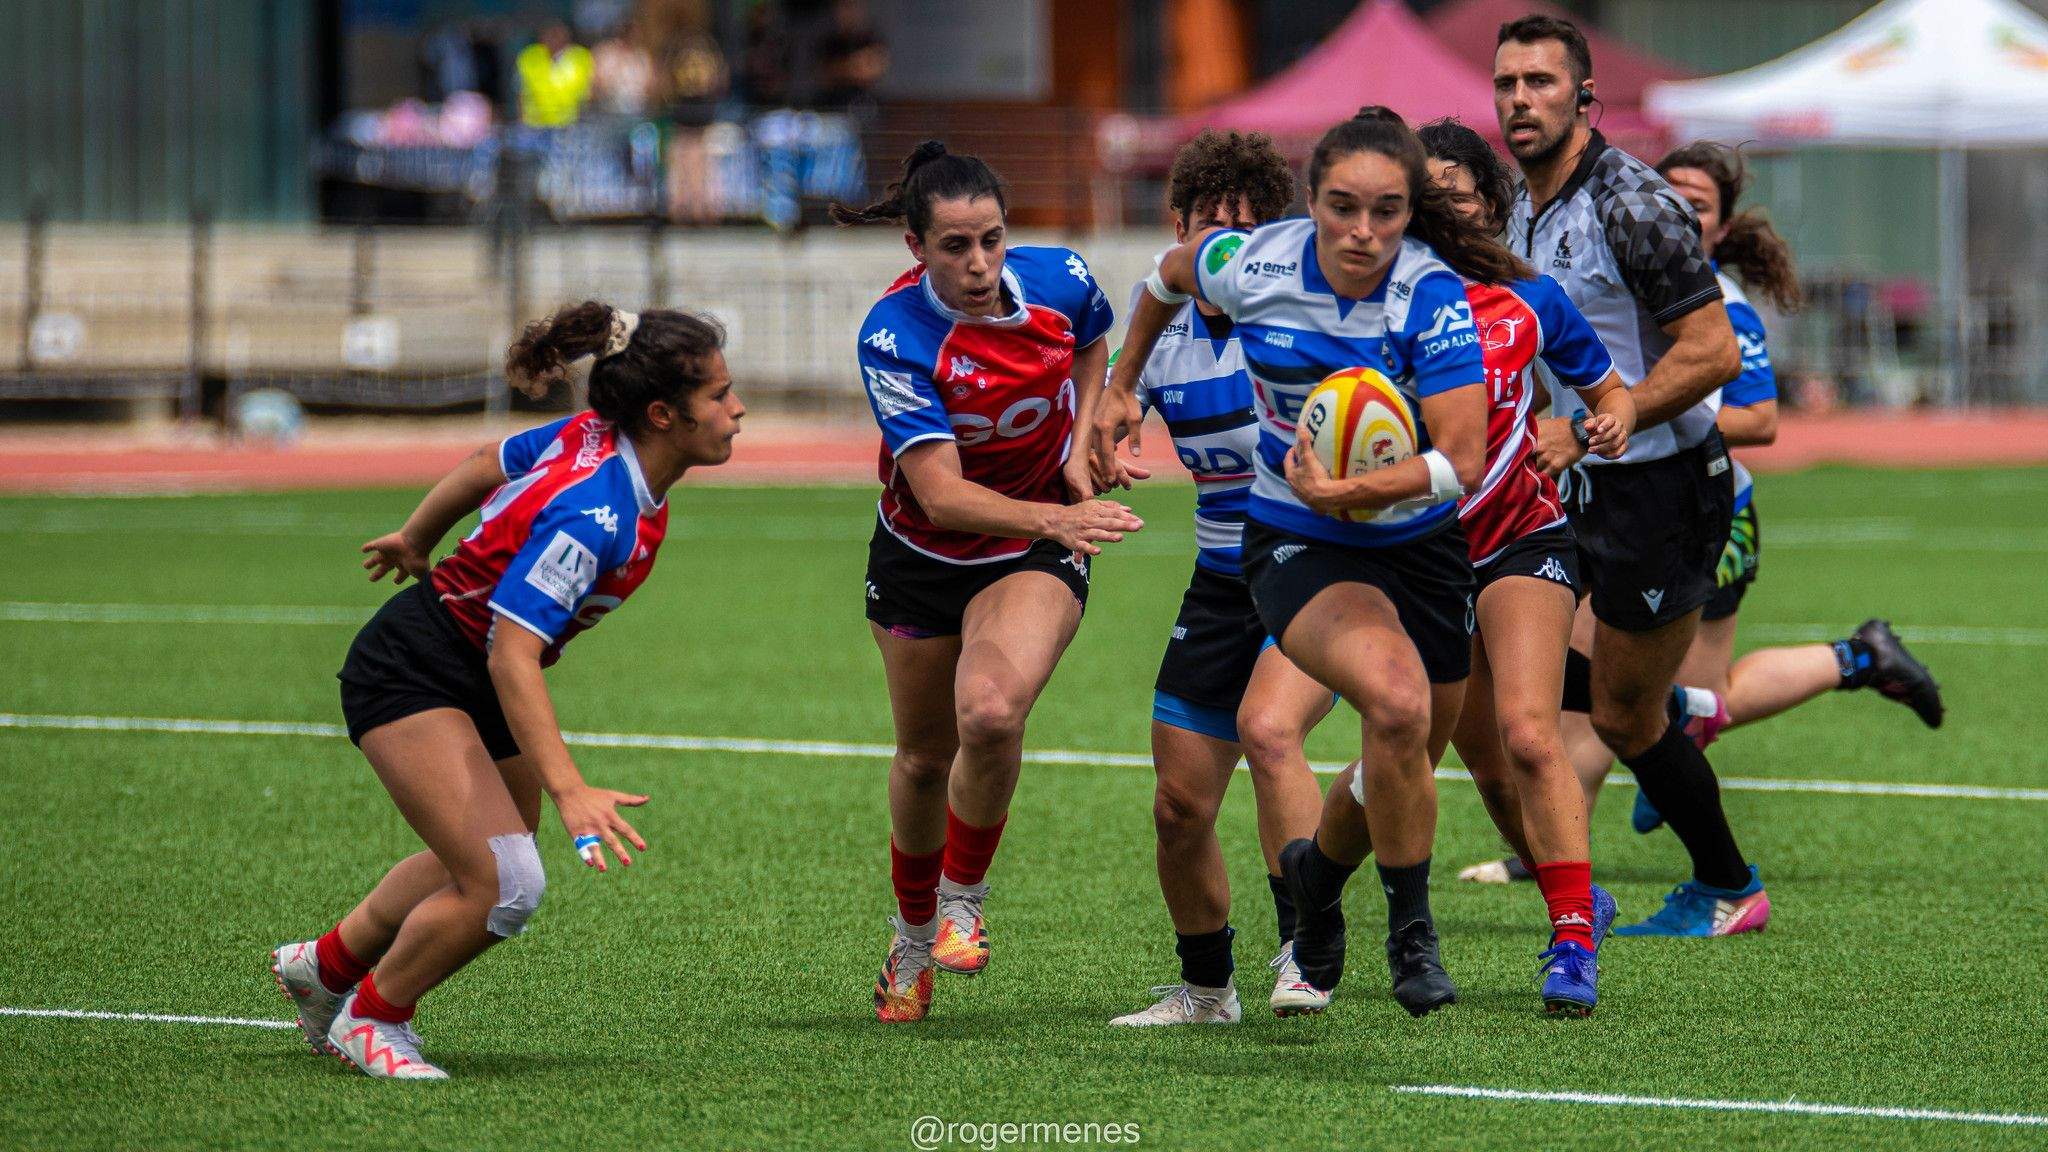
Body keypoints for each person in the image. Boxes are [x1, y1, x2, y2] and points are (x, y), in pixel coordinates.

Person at [1096, 107, 1522, 1017]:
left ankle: (1316, 884)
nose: (1363, 232)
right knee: (1367, 712)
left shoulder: (1430, 295)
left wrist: (1354, 491)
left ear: (1410, 213)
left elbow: (1463, 460)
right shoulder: (1251, 265)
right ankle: (1404, 939)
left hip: (1416, 546)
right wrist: (1120, 386)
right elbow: (1166, 277)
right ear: (1315, 205)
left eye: (1387, 211)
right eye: (1342, 208)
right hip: (1294, 541)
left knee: (1407, 742)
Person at [270, 304, 744, 1079]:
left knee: (490, 858)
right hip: (415, 669)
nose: (737, 408)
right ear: (663, 414)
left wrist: (418, 535)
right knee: (508, 884)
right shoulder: (595, 515)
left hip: (461, 663)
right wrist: (571, 789)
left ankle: (323, 968)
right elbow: (512, 655)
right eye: (721, 395)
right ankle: (375, 1016)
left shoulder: (597, 440)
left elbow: (488, 462)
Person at [835, 142, 1138, 1024]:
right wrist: (1060, 518)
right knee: (926, 757)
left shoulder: (1063, 279)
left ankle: (963, 899)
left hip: (1030, 553)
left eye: (992, 241)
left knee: (993, 710)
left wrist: (1086, 441)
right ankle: (913, 932)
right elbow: (938, 492)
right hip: (922, 554)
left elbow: (1093, 343)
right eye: (955, 247)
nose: (978, 265)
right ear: (914, 246)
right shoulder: (894, 335)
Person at [1494, 14, 1766, 938]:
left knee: (1620, 715)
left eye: (1539, 81)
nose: (1520, 99)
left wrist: (1599, 421)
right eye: (1507, 84)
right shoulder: (1521, 203)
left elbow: (1714, 349)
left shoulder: (1632, 202)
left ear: (1583, 97)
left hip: (1664, 485)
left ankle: (1730, 886)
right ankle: (1673, 705)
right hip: (1579, 481)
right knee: (1510, 666)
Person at [1095, 131, 1337, 1028]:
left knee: (1269, 735)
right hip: (1219, 574)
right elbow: (1114, 419)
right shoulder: (1158, 321)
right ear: (1178, 230)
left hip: (1316, 566)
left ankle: (1303, 953)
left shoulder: (1309, 313)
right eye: (1207, 228)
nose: (1224, 248)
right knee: (1178, 803)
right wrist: (1106, 447)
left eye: (1246, 226)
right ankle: (1206, 992)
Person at [1409, 117, 1636, 1013]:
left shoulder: (1529, 297)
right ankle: (1576, 895)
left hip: (1522, 537)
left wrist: (1588, 428)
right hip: (1419, 552)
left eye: (1455, 197)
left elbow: (1608, 390)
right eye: (1422, 201)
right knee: (1472, 764)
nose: (1439, 215)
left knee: (1532, 734)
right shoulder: (1376, 305)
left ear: (1491, 203)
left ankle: (1573, 943)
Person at [517, 21, 595, 129]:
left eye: (557, 35)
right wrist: (522, 123)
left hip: (571, 126)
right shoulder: (529, 57)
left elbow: (589, 93)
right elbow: (520, 92)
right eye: (550, 35)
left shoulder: (581, 58)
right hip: (535, 126)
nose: (553, 39)